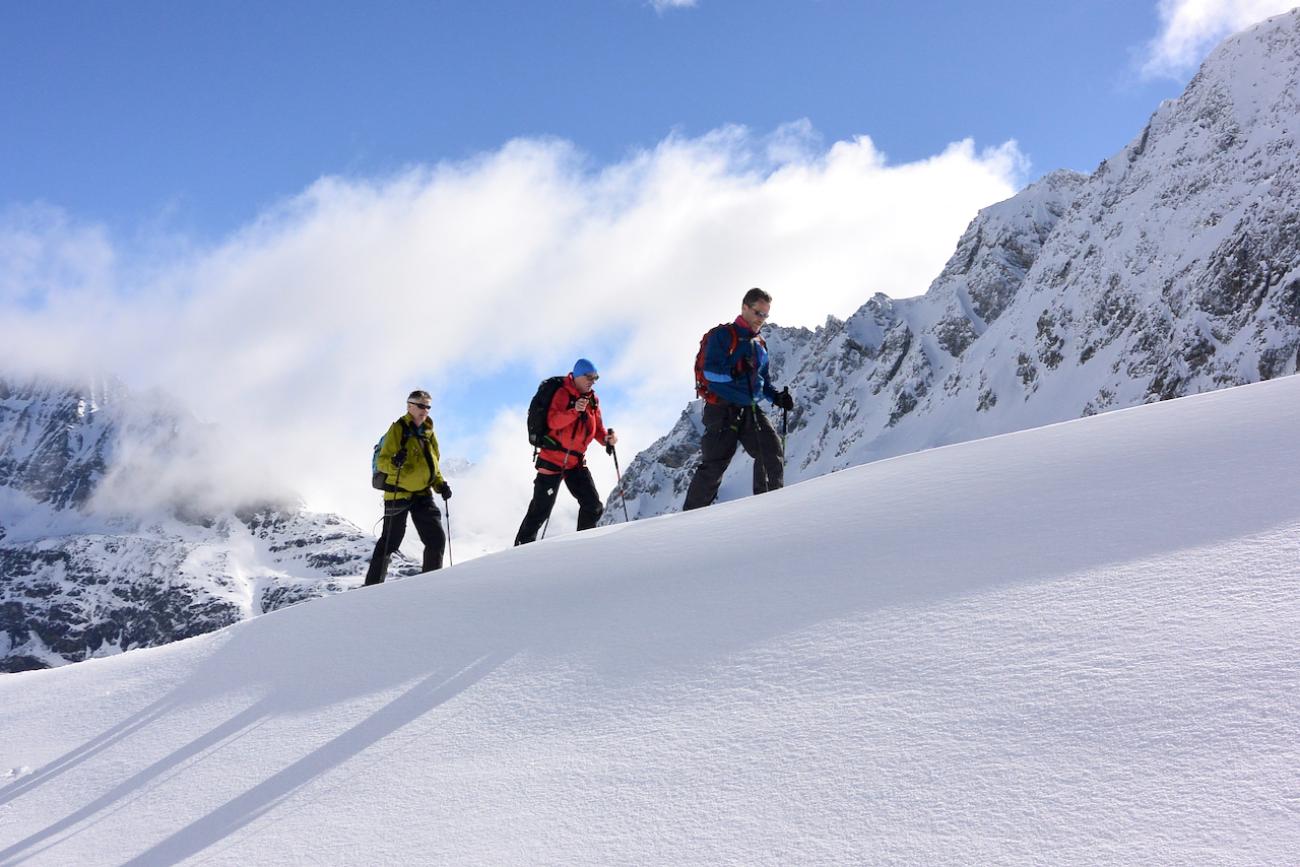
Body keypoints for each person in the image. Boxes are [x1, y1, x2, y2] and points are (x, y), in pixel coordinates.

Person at [682, 288, 795, 511]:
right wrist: (736, 371)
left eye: (765, 315)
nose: (761, 320)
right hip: (721, 409)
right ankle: (689, 520)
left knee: (771, 453)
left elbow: (762, 381)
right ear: (744, 308)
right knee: (715, 466)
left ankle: (769, 510)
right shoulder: (724, 335)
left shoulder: (760, 345)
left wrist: (777, 397)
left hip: (749, 408)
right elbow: (709, 372)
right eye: (757, 313)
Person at [514, 359, 618, 545]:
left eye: (595, 378)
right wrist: (574, 411)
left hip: (576, 463)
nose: (592, 381)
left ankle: (582, 546)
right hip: (552, 460)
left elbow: (597, 428)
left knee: (593, 506)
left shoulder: (593, 400)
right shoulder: (562, 392)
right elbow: (552, 422)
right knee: (540, 511)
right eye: (589, 377)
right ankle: (520, 550)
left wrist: (607, 440)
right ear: (578, 376)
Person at [364, 390, 451, 585]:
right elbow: (383, 463)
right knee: (390, 541)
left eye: (428, 406)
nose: (425, 410)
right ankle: (371, 588)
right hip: (398, 493)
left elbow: (433, 464)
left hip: (422, 494)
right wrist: (395, 462)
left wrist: (440, 485)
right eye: (421, 406)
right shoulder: (398, 429)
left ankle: (431, 583)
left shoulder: (428, 432)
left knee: (436, 538)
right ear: (409, 406)